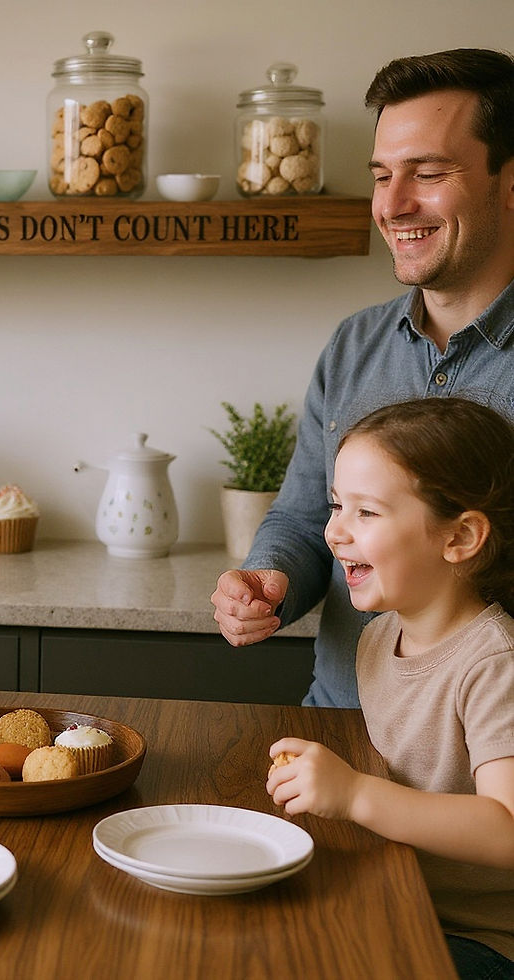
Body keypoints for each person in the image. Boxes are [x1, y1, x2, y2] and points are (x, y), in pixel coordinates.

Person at [210, 48, 514, 708]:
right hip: (340, 735)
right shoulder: (355, 344)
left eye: (428, 173)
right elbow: (301, 517)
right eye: (382, 176)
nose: (394, 205)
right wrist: (268, 579)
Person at [266, 397, 514, 979]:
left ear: (460, 537)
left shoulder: (494, 663)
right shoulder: (378, 639)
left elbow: (508, 828)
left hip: (482, 941)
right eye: (336, 506)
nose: (334, 532)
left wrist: (355, 796)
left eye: (367, 513)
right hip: (399, 899)